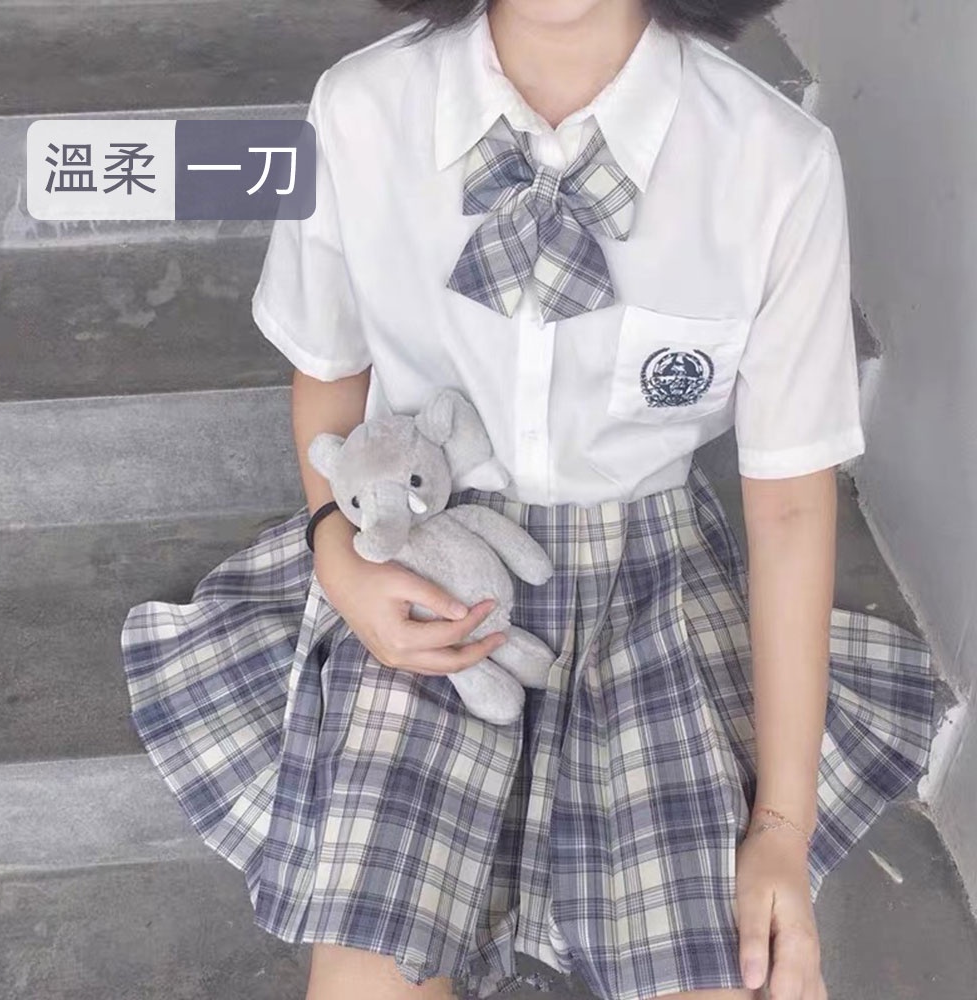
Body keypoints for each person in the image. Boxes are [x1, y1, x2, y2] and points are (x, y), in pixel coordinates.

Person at [119, 2, 939, 999]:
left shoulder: (773, 161)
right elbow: (329, 372)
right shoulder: (362, 108)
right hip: (430, 561)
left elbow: (792, 509)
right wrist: (337, 546)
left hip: (650, 588)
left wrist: (779, 828)